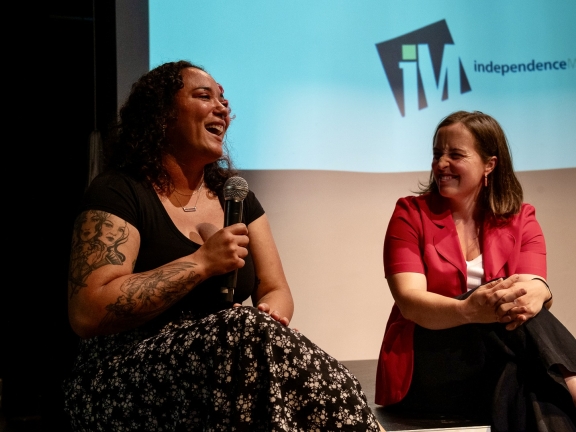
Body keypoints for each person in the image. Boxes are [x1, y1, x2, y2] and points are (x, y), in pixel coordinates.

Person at [62, 60, 383, 431]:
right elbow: (87, 311)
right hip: (121, 375)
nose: (222, 108)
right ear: (162, 115)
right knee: (244, 331)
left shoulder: (235, 197)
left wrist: (270, 316)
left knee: (320, 373)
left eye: (223, 100)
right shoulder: (119, 191)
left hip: (226, 365)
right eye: (204, 96)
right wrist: (201, 263)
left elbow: (275, 288)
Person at [375, 111, 576, 431]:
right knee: (502, 297)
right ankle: (573, 379)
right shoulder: (409, 214)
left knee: (533, 387)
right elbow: (410, 303)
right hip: (430, 369)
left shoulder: (522, 218)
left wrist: (542, 290)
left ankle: (567, 387)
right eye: (437, 154)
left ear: (490, 164)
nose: (441, 163)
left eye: (455, 154)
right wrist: (469, 309)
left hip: (491, 370)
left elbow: (530, 294)